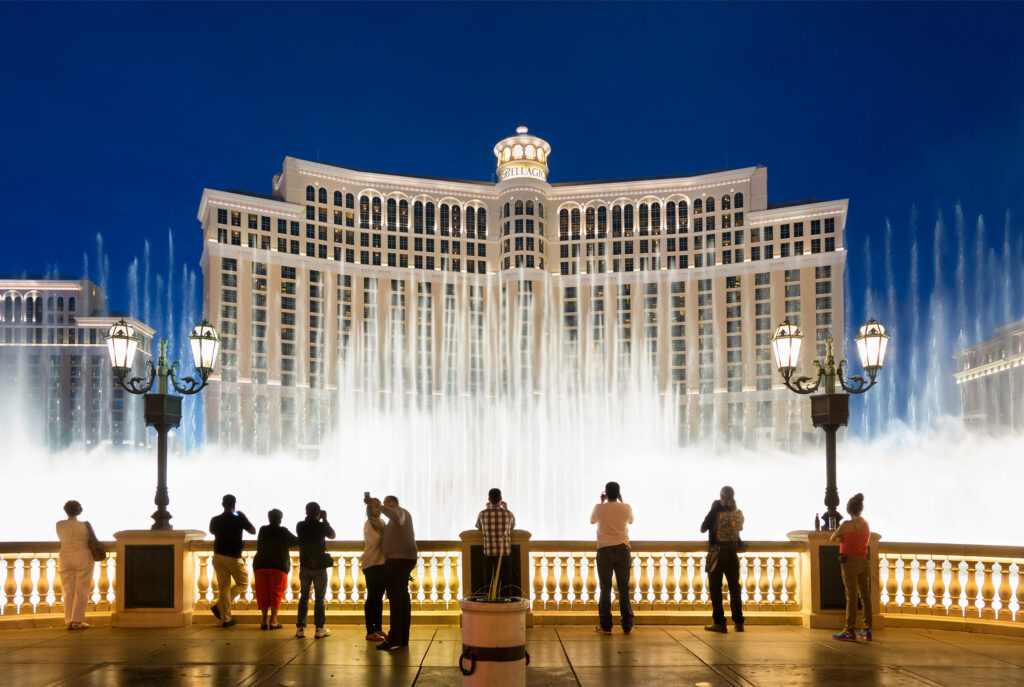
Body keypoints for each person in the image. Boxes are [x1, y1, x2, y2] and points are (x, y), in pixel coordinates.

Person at [365, 492, 417, 651]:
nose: (384, 506)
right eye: (384, 503)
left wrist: (379, 505)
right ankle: (402, 637)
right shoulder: (392, 520)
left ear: (395, 503)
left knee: (396, 599)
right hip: (399, 559)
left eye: (388, 503)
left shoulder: (400, 513)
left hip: (398, 560)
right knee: (401, 598)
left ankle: (395, 637)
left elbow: (396, 516)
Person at [590, 481, 634, 635]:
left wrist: (602, 502)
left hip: (604, 550)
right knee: (623, 588)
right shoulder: (626, 507)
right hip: (622, 549)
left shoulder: (598, 507)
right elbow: (631, 521)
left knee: (605, 588)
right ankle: (627, 625)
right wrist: (621, 501)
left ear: (606, 493)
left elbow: (592, 521)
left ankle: (606, 626)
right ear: (619, 493)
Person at [701, 486, 745, 633]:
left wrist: (713, 509)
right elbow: (738, 531)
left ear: (721, 496)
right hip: (732, 553)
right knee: (734, 588)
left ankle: (719, 623)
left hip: (717, 553)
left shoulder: (716, 511)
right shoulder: (737, 513)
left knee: (715, 588)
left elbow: (703, 528)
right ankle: (738, 623)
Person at [831, 493, 872, 641]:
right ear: (860, 509)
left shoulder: (846, 525)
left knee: (851, 596)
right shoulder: (866, 523)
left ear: (849, 510)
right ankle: (866, 630)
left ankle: (849, 631)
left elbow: (832, 537)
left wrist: (841, 537)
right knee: (865, 595)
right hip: (863, 561)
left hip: (849, 563)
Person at [209, 494, 255, 628]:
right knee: (243, 582)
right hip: (233, 557)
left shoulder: (215, 520)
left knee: (223, 587)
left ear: (222, 504)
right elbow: (252, 531)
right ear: (234, 505)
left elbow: (212, 531)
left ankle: (226, 619)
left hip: (218, 556)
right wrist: (244, 517)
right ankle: (218, 607)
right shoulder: (239, 519)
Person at [253, 509, 299, 630]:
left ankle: (263, 621)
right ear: (280, 519)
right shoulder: (283, 531)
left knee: (263, 593)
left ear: (269, 518)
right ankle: (273, 621)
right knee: (276, 593)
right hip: (278, 566)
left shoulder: (262, 530)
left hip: (261, 564)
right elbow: (296, 541)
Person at [295, 501, 336, 639]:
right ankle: (319, 628)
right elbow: (332, 535)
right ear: (318, 512)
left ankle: (300, 628)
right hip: (319, 566)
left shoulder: (300, 525)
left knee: (304, 597)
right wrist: (324, 519)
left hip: (305, 565)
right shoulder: (321, 526)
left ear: (306, 512)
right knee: (319, 598)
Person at [56, 500, 96, 630]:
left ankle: (68, 620)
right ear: (79, 511)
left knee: (67, 590)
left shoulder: (59, 524)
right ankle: (77, 621)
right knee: (81, 590)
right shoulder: (85, 525)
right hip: (83, 556)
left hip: (65, 557)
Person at [475, 488, 516, 597]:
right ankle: (505, 609)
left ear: (489, 499)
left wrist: (487, 509)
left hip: (489, 554)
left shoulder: (482, 514)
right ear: (501, 499)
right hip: (505, 554)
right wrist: (506, 509)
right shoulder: (508, 514)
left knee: (488, 584)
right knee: (506, 584)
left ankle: (490, 608)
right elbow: (512, 527)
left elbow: (479, 527)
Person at [361, 497, 387, 642]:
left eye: (379, 506)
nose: (378, 509)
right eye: (375, 507)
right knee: (372, 598)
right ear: (370, 509)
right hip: (371, 564)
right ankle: (369, 631)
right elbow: (375, 541)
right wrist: (385, 533)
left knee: (379, 598)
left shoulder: (382, 522)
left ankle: (378, 628)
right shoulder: (368, 523)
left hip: (381, 563)